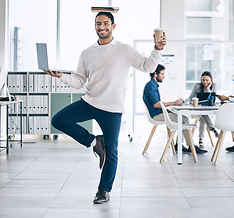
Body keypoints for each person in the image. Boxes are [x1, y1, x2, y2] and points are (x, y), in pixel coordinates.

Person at [44, 11, 166, 204]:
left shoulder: (124, 50)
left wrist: (157, 49)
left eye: (106, 23)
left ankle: (103, 190)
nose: (101, 27)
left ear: (113, 26)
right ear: (94, 26)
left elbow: (148, 67)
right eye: (98, 23)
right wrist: (60, 76)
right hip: (90, 101)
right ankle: (94, 142)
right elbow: (78, 81)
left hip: (112, 109)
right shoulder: (86, 53)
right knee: (58, 120)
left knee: (112, 151)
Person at [143, 64, 207, 154]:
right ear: (155, 74)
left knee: (182, 118)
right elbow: (156, 105)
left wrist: (169, 108)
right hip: (156, 115)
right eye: (162, 74)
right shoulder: (151, 86)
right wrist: (174, 103)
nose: (164, 76)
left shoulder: (153, 85)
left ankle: (180, 145)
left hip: (158, 113)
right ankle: (191, 146)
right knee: (184, 119)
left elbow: (157, 104)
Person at [185, 71, 219, 148]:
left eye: (207, 80)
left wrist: (207, 89)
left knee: (203, 116)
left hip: (207, 111)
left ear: (211, 79)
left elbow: (213, 99)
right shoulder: (197, 86)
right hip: (196, 111)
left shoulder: (214, 86)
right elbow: (190, 97)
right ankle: (211, 128)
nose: (204, 82)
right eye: (203, 80)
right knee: (202, 115)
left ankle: (201, 140)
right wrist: (185, 101)